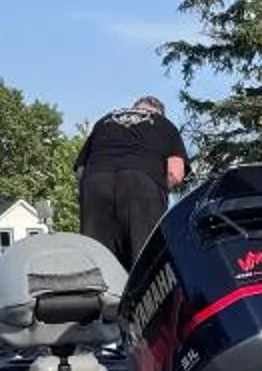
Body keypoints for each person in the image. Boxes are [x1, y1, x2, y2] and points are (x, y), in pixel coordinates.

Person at [75, 94, 188, 270]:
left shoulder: (105, 120)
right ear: (159, 113)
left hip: (95, 183)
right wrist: (156, 189)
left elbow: (81, 170)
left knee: (97, 262)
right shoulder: (164, 124)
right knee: (145, 262)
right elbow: (175, 172)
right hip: (141, 184)